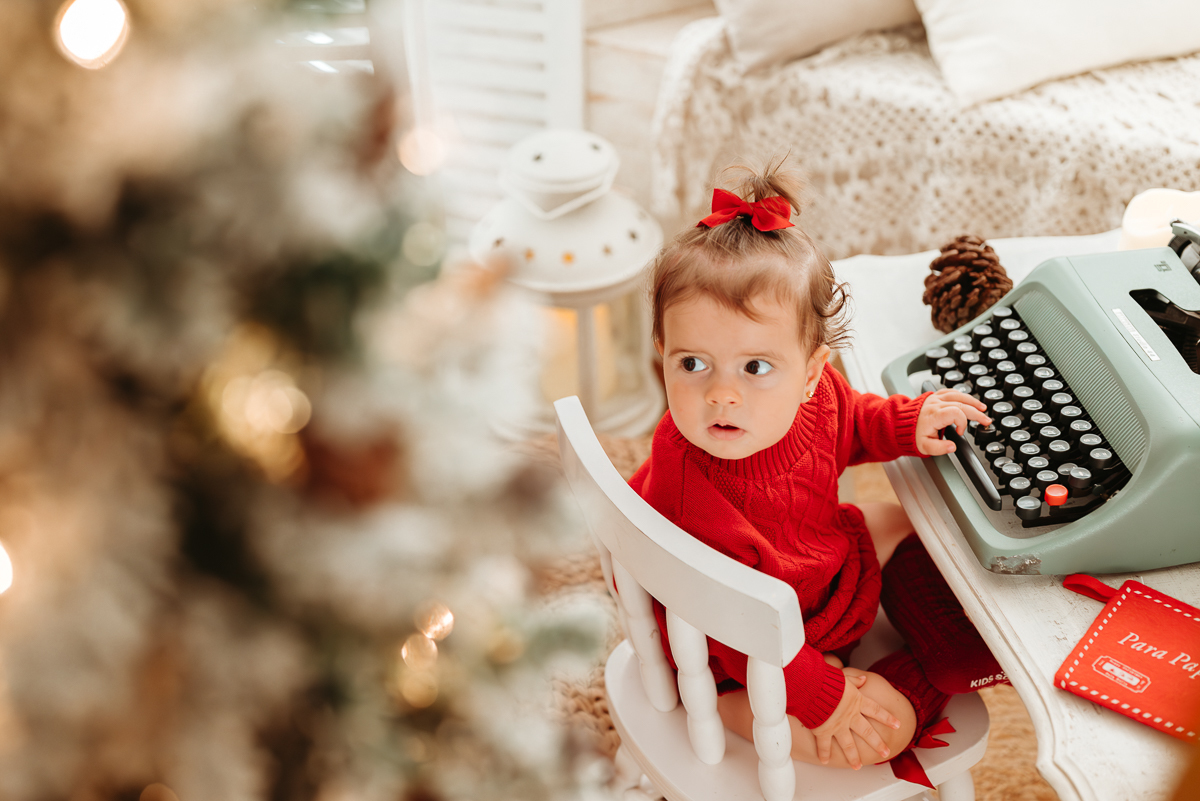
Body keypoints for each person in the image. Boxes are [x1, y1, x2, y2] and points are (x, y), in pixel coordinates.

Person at [628, 158, 1004, 774]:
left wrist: (908, 422)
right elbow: (733, 619)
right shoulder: (689, 490)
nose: (722, 395)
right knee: (871, 739)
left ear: (809, 375)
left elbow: (851, 421)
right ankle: (739, 710)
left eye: (754, 368)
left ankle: (935, 655)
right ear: (662, 353)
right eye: (693, 364)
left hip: (813, 573)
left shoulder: (819, 394)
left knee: (934, 529)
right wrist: (823, 696)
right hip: (735, 644)